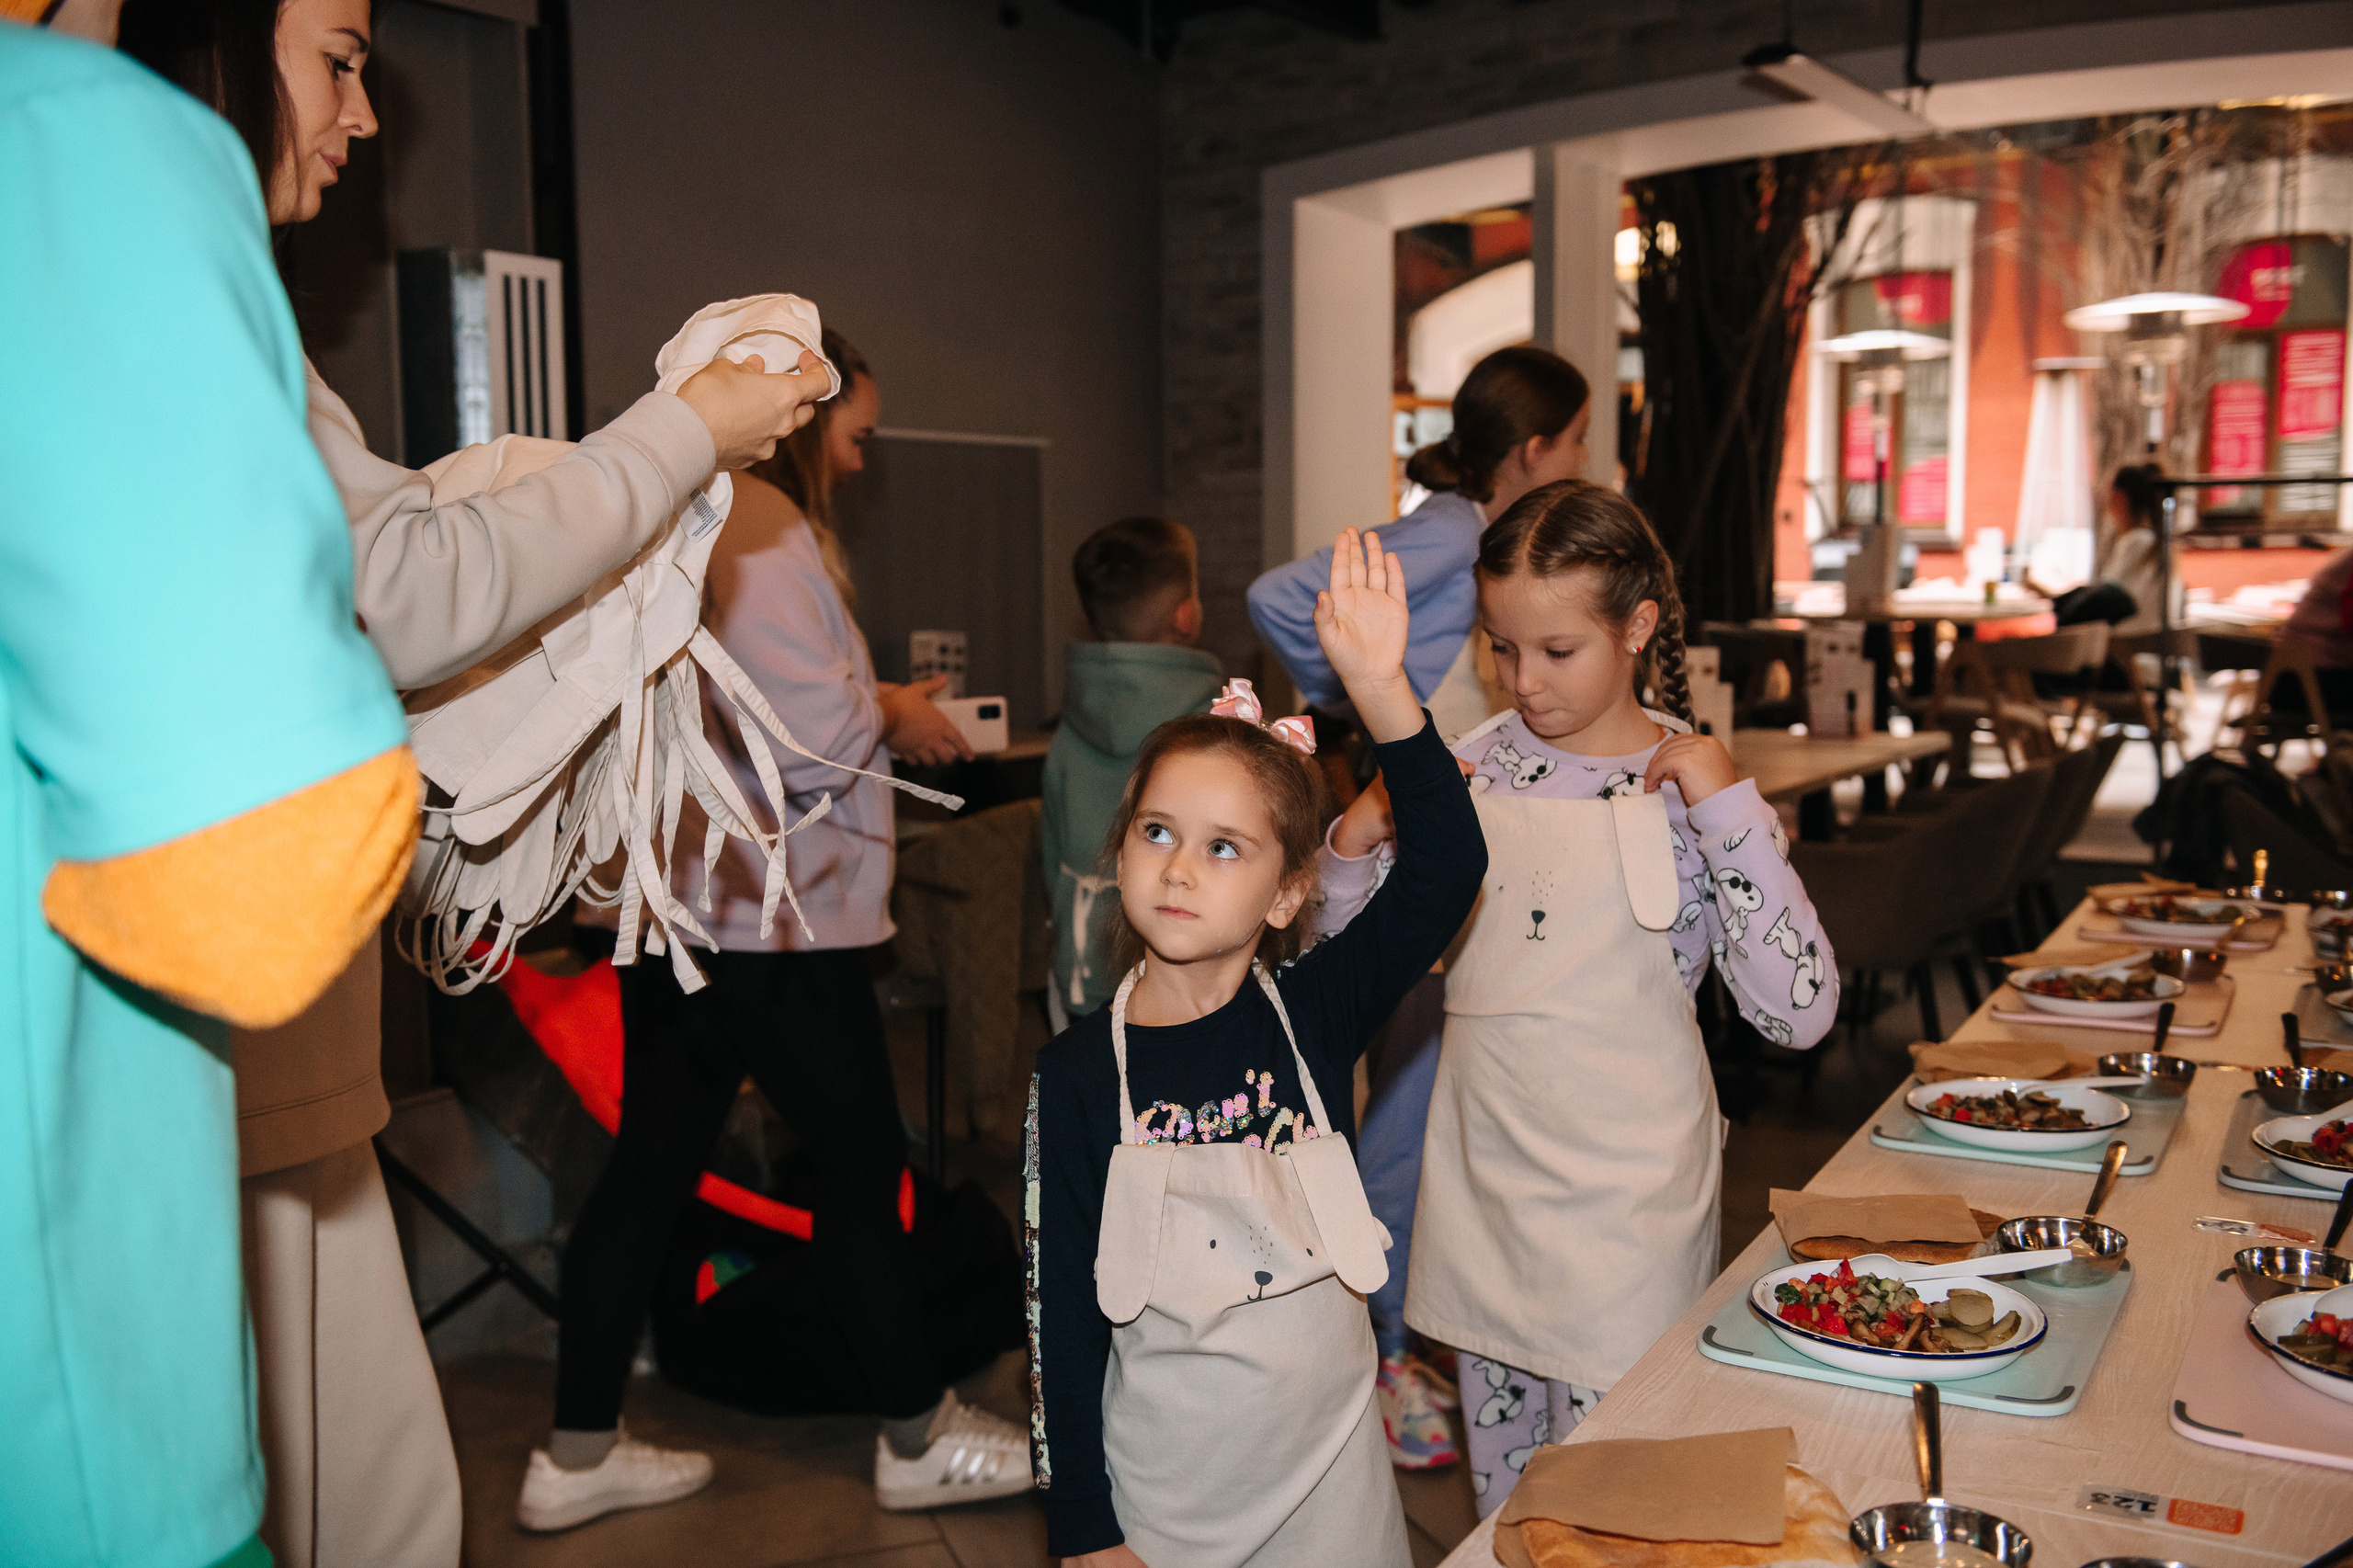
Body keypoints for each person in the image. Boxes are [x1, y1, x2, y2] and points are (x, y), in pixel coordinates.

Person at [113, 2, 836, 1558]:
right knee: (332, 1489)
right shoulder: (154, 288)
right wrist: (678, 433)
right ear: (211, 40)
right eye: (340, 56)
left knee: (359, 1480)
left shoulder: (194, 294)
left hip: (262, 1026)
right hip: (212, 1020)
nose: (365, 115)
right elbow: (398, 584)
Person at [1, 21, 420, 1568]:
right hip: (65, 1399)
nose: (362, 117)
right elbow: (258, 882)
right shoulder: (69, 139)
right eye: (341, 55)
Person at [534, 325, 1021, 1532]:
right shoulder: (756, 517)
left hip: (681, 907)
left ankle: (576, 1450)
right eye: (853, 433)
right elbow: (802, 736)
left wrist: (877, 701)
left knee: (651, 1165)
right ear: (798, 413)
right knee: (861, 1167)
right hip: (768, 920)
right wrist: (887, 709)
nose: (857, 460)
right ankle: (915, 1433)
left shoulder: (674, 504)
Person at [1315, 481, 1837, 1515]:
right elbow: (1342, 977)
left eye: (1557, 650)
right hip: (1488, 1188)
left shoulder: (1692, 787)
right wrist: (1351, 840)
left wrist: (1728, 811)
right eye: (1501, 648)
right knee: (1512, 1501)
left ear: (1636, 627)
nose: (1525, 681)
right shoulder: (1465, 771)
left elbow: (1798, 1012)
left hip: (1629, 1210)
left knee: (1621, 1497)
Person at [1028, 529, 1485, 1568]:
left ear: (1288, 893)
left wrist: (1380, 689)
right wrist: (1085, 1525)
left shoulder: (1316, 1011)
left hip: (1333, 1484)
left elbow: (1450, 863)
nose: (1180, 866)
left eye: (1224, 846)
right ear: (1120, 851)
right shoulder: (1077, 1073)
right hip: (1169, 1502)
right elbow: (1058, 1314)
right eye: (1157, 831)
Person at [1243, 344, 1591, 1470]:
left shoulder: (1472, 539)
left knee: (1415, 1099)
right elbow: (1275, 596)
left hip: (1434, 812)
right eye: (1576, 440)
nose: (1583, 459)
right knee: (1402, 1107)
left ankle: (1398, 1336)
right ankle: (1384, 1353)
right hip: (1412, 825)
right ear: (1530, 448)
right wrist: (1361, 698)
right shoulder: (1450, 530)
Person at [1042, 517, 1226, 1023]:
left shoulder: (1067, 726)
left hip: (1082, 967)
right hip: (1190, 977)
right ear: (1186, 616)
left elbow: (1052, 855)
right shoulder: (1220, 729)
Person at [2031, 463, 2182, 634]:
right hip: (2139, 642)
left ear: (2120, 498)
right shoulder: (2153, 544)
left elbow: (2106, 602)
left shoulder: (2139, 543)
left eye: (2108, 495)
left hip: (2128, 645)